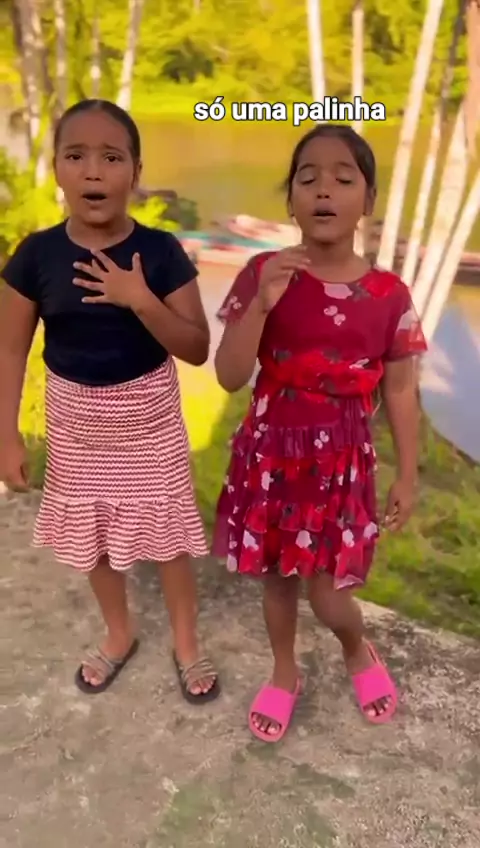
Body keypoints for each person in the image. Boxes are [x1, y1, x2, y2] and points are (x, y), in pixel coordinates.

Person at [0, 99, 220, 703]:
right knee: (90, 537)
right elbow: (10, 350)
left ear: (136, 172)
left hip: (150, 424)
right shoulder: (35, 256)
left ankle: (186, 642)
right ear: (56, 168)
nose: (93, 171)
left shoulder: (162, 252)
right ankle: (120, 633)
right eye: (76, 156)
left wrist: (139, 298)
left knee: (169, 539)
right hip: (76, 428)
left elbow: (196, 348)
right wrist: (7, 435)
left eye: (112, 157)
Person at [213, 124, 426, 742]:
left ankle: (356, 647)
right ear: (291, 201)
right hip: (271, 458)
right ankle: (285, 672)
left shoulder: (388, 295)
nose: (324, 190)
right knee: (277, 581)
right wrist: (262, 304)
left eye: (343, 178)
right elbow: (229, 375)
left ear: (368, 200)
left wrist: (408, 474)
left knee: (330, 597)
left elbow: (401, 390)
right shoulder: (262, 273)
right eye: (307, 178)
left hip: (340, 467)